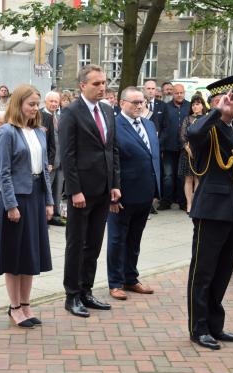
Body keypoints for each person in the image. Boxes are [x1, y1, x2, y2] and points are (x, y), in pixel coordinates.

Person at [186, 75, 233, 350]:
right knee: (203, 272)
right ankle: (198, 328)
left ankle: (215, 324)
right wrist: (215, 111)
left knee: (223, 270)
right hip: (211, 210)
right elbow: (193, 133)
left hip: (232, 208)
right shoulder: (207, 128)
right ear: (220, 101)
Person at [59, 64, 121, 318]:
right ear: (82, 85)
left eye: (104, 83)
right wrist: (74, 190)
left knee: (94, 243)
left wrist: (115, 183)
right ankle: (71, 294)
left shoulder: (107, 111)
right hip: (81, 192)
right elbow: (68, 155)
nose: (102, 87)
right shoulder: (71, 112)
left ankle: (86, 290)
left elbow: (112, 150)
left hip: (103, 189)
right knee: (77, 243)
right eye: (96, 83)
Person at [0, 84, 54, 327]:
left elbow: (46, 169)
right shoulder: (7, 132)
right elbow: (3, 172)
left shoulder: (39, 131)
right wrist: (10, 204)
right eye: (30, 104)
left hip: (36, 197)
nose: (34, 109)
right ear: (18, 104)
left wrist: (49, 201)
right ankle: (14, 306)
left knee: (31, 254)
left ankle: (26, 305)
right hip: (17, 200)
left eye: (36, 104)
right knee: (14, 255)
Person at [106, 87, 160, 300]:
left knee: (135, 239)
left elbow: (153, 156)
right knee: (117, 239)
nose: (139, 106)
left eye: (142, 102)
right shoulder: (115, 126)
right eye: (135, 102)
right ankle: (115, 282)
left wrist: (156, 189)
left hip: (145, 193)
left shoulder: (148, 124)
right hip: (122, 194)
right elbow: (111, 161)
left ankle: (131, 278)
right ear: (122, 103)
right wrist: (112, 191)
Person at [159, 84, 190, 210]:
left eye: (181, 92)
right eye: (177, 93)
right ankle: (166, 201)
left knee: (182, 176)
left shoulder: (189, 106)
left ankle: (182, 202)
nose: (179, 95)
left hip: (184, 147)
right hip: (168, 147)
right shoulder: (166, 107)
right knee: (168, 175)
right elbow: (162, 126)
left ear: (184, 93)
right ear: (173, 94)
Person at [179, 94, 207, 214]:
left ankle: (196, 203)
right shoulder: (187, 119)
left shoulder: (206, 118)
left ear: (203, 105)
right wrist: (187, 148)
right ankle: (189, 204)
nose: (195, 106)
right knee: (188, 179)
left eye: (198, 104)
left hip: (202, 152)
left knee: (199, 179)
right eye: (193, 104)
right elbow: (182, 135)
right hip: (188, 152)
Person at [41, 91, 64, 227]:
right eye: (52, 101)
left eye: (56, 102)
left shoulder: (60, 117)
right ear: (46, 101)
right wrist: (48, 161)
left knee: (57, 189)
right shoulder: (39, 115)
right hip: (49, 160)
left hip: (61, 160)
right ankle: (44, 217)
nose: (54, 104)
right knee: (46, 189)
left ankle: (55, 215)